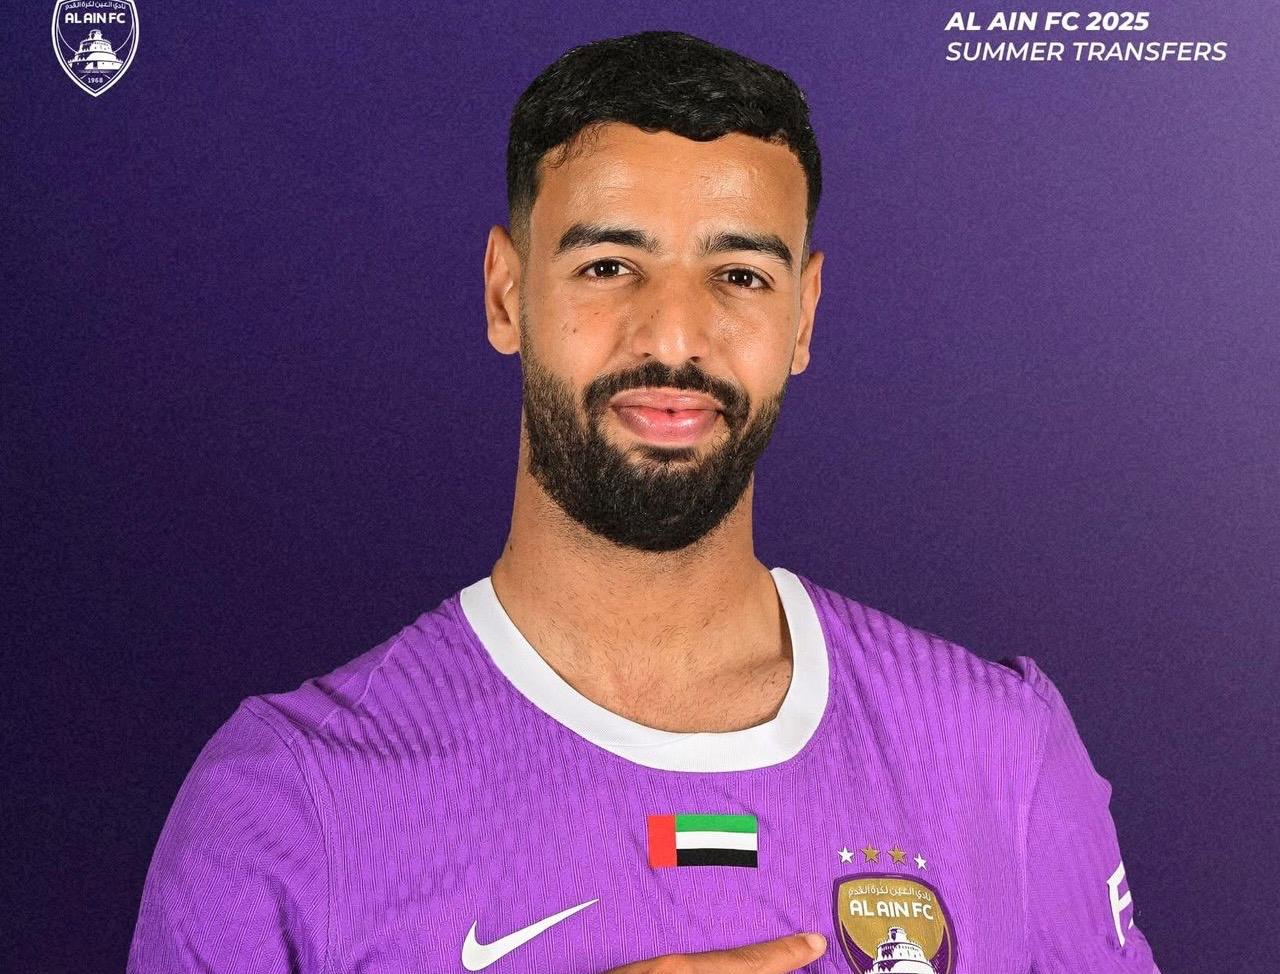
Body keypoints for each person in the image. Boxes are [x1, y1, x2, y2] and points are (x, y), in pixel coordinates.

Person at [127, 30, 1161, 974]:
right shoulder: (284, 802)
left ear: (803, 316)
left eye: (739, 275)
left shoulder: (999, 752)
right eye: (609, 264)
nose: (672, 336)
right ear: (506, 293)